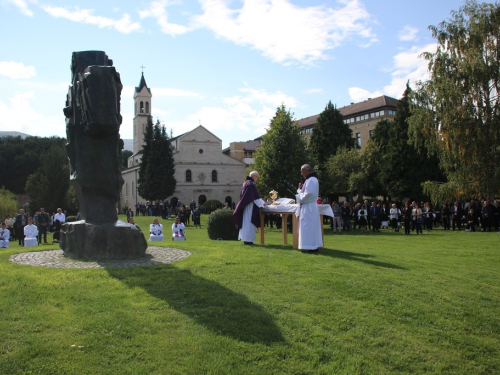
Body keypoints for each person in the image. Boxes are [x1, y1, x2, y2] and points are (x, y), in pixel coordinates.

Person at [232, 171, 267, 245]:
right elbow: (255, 197)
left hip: (246, 206)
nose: (257, 179)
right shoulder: (251, 184)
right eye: (257, 177)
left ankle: (246, 239)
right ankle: (248, 240)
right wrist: (264, 203)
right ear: (254, 176)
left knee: (245, 223)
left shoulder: (246, 183)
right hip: (249, 206)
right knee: (249, 223)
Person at [295, 164, 322, 252]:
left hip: (308, 206)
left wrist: (298, 197)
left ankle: (311, 246)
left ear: (306, 171)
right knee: (310, 227)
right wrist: (300, 190)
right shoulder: (311, 180)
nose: (301, 173)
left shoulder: (311, 180)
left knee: (308, 227)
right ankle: (312, 245)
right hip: (309, 206)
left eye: (302, 171)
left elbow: (308, 194)